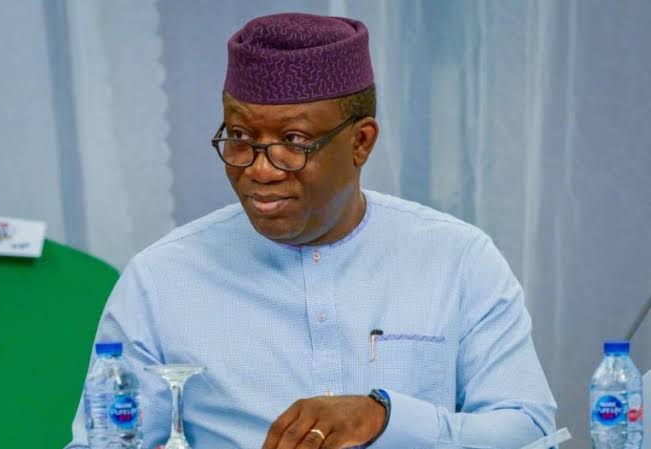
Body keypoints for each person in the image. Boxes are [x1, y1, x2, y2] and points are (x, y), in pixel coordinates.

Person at [66, 12, 556, 449]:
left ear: (361, 142)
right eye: (240, 137)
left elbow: (531, 432)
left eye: (294, 140)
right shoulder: (161, 279)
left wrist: (384, 418)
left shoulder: (457, 259)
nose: (260, 169)